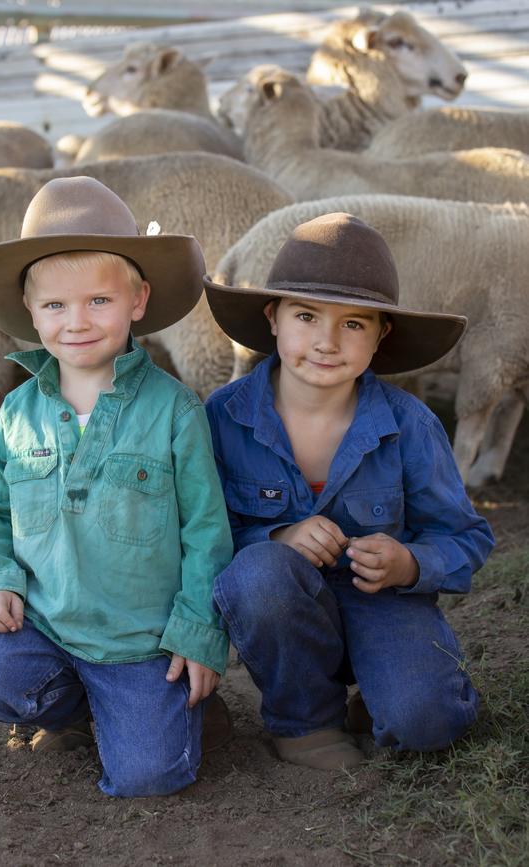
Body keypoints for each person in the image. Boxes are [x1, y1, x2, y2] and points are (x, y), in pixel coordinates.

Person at [0, 176, 233, 797]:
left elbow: (207, 532)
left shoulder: (175, 410)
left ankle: (171, 708)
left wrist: (197, 633)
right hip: (47, 627)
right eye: (54, 306)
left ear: (138, 301)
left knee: (150, 777)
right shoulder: (17, 413)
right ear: (30, 311)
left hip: (140, 641)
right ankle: (75, 708)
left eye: (99, 301)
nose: (76, 322)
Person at [203, 212, 494, 770]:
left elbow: (464, 536)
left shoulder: (411, 425)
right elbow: (198, 532)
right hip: (281, 608)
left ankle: (387, 695)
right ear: (273, 318)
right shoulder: (222, 418)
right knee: (260, 573)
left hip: (382, 603)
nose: (327, 342)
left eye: (354, 324)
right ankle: (304, 721)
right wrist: (279, 534)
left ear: (382, 334)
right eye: (307, 316)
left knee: (428, 723)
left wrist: (409, 563)